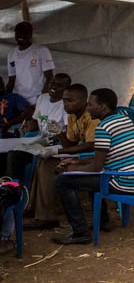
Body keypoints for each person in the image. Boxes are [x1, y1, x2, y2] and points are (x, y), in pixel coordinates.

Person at [52, 88, 134, 245]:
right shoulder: (123, 119)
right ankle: (103, 222)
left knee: (62, 181)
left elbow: (96, 167)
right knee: (89, 178)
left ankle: (80, 232)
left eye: (90, 105)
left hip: (125, 182)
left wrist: (70, 170)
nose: (88, 108)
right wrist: (76, 163)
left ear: (102, 107)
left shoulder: (103, 128)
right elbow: (103, 158)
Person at [23, 83, 96, 229]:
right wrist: (59, 132)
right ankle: (36, 208)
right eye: (64, 100)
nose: (66, 104)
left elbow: (90, 145)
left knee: (48, 165)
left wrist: (58, 152)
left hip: (93, 157)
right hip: (81, 153)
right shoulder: (72, 116)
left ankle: (47, 217)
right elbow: (69, 143)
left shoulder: (91, 116)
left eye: (70, 101)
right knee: (42, 161)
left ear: (83, 100)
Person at [5, 21, 54, 104]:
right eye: (18, 33)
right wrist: (5, 99)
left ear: (30, 35)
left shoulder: (41, 51)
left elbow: (49, 77)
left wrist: (42, 99)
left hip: (36, 98)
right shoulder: (11, 54)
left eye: (25, 33)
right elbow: (11, 80)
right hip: (19, 99)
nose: (21, 35)